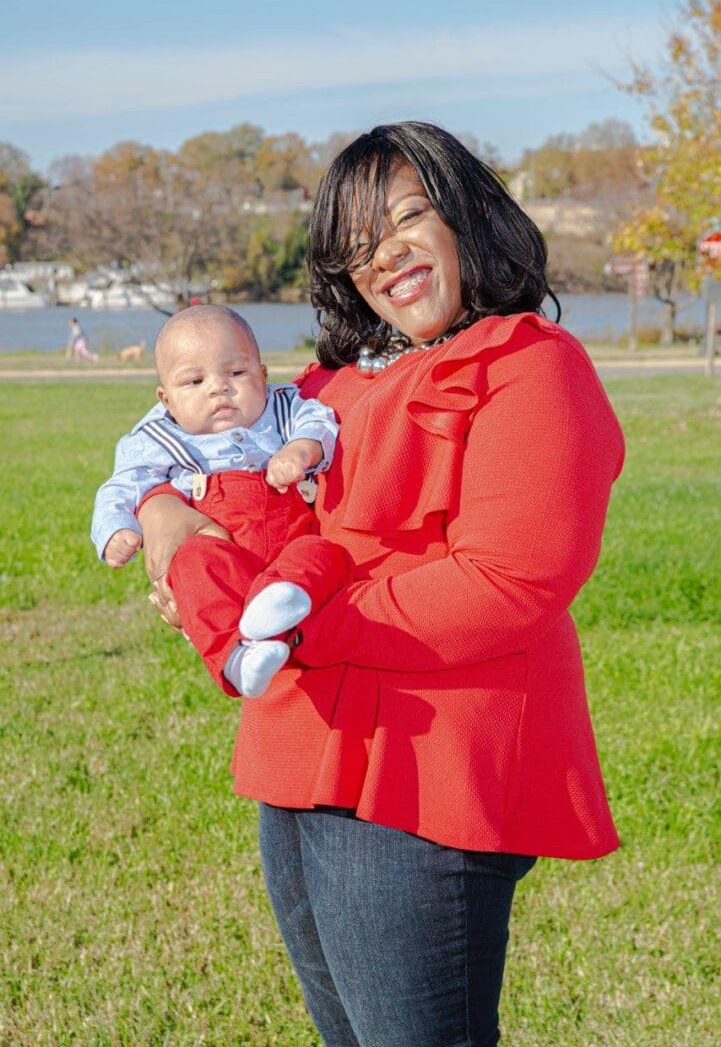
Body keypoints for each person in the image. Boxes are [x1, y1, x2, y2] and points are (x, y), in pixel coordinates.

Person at [138, 122, 625, 1045]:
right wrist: (167, 519)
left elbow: (508, 579)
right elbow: (193, 432)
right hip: (300, 746)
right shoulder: (329, 384)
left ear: (467, 220)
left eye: (409, 216)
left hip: (424, 767)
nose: (385, 254)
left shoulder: (530, 364)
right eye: (359, 243)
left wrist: (286, 626)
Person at [91, 305, 350, 698]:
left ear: (263, 377)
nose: (219, 388)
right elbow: (123, 484)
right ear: (167, 399)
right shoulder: (161, 437)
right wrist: (115, 529)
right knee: (193, 563)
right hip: (222, 552)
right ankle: (236, 659)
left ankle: (276, 608)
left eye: (236, 373)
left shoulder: (281, 408)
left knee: (323, 555)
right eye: (194, 381)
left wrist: (302, 448)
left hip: (290, 547)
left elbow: (319, 420)